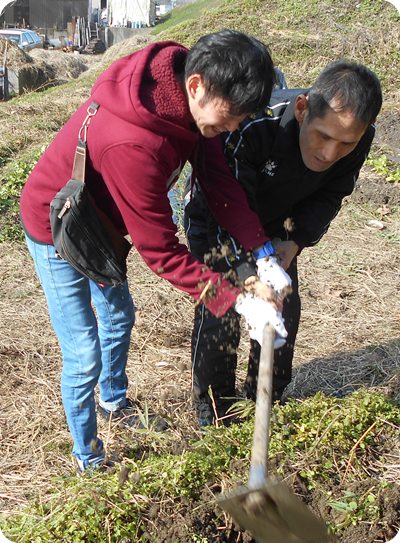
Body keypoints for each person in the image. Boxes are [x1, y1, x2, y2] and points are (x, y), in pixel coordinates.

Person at [20, 29, 287, 472]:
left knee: (119, 316)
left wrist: (263, 253)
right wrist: (237, 301)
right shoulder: (135, 143)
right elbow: (161, 252)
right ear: (198, 85)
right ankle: (88, 457)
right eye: (230, 116)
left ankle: (113, 401)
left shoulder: (188, 94)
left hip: (103, 223)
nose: (234, 127)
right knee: (84, 351)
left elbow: (219, 181)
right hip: (60, 227)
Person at [185, 60, 382, 426]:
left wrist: (293, 242)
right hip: (216, 217)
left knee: (282, 305)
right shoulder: (251, 125)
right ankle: (214, 409)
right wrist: (246, 275)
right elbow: (223, 205)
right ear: (304, 108)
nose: (328, 153)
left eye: (345, 143)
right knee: (221, 309)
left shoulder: (358, 138)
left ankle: (265, 397)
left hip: (276, 228)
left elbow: (331, 195)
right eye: (323, 135)